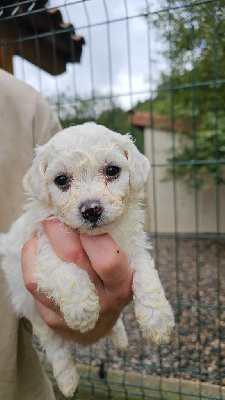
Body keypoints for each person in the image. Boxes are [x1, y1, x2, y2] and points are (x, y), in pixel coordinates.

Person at [0, 68, 132, 400]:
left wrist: (108, 314)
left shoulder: (25, 105)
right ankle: (61, 361)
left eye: (111, 171)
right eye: (62, 182)